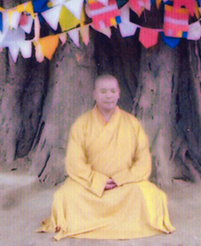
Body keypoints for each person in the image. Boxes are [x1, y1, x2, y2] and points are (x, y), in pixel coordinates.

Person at [39, 74, 175, 240]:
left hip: (124, 185)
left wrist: (122, 178)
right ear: (94, 94)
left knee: (151, 195)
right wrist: (97, 180)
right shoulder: (81, 124)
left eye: (112, 91)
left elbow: (143, 160)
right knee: (65, 196)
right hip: (91, 187)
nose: (108, 95)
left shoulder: (132, 123)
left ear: (119, 93)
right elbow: (74, 162)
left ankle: (94, 222)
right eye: (103, 91)